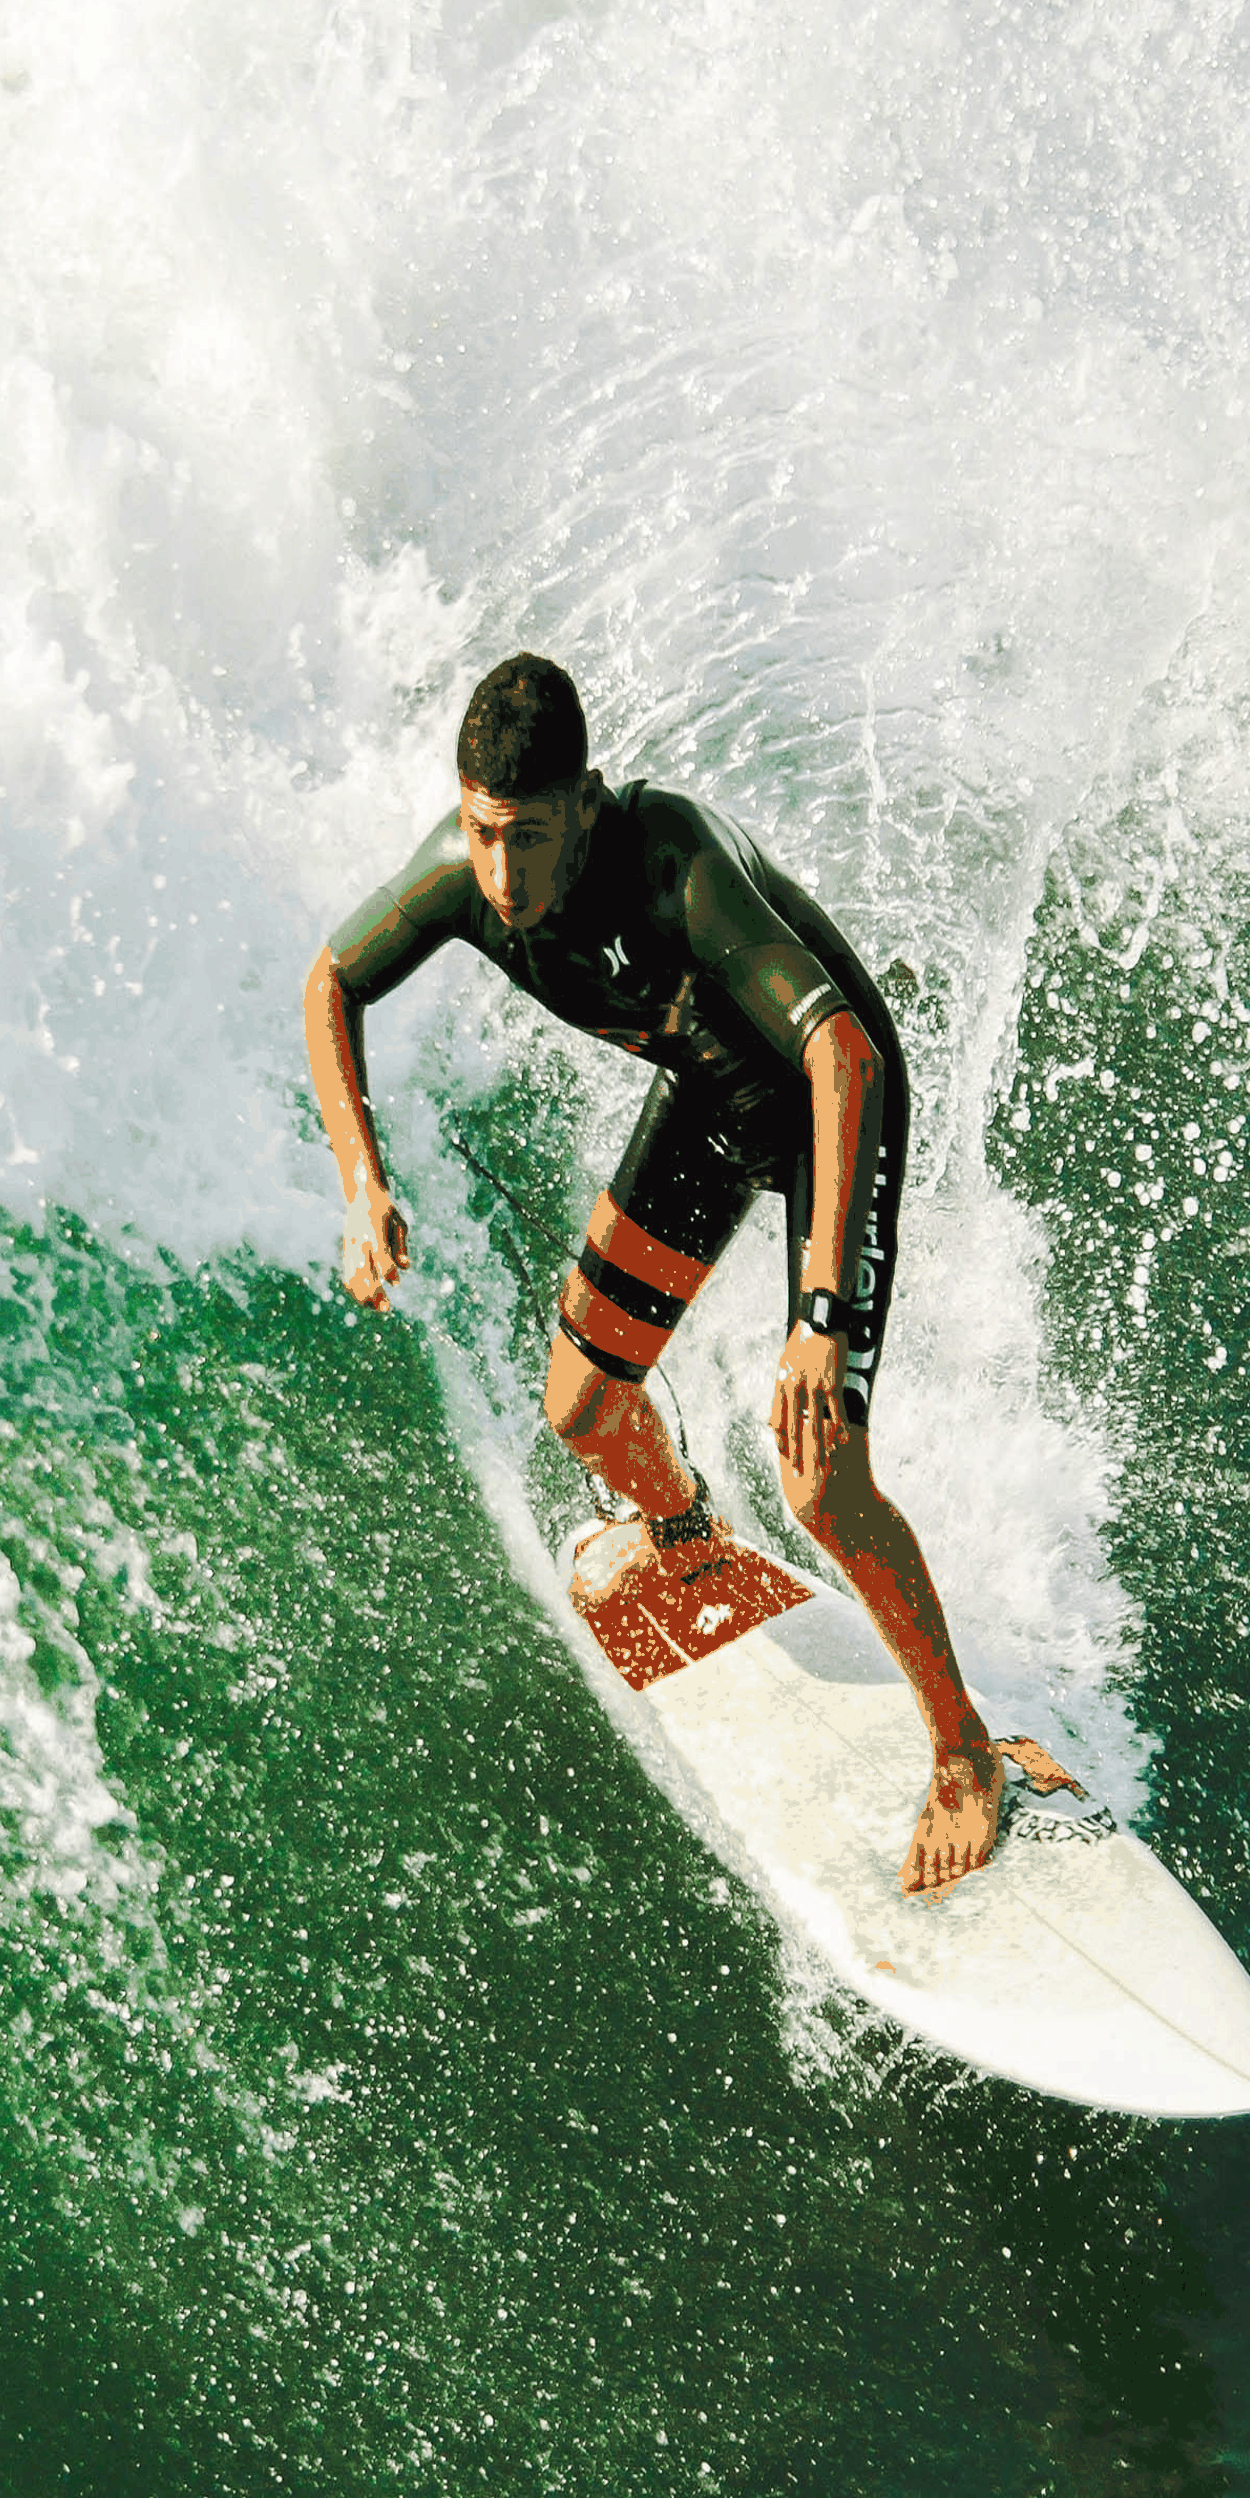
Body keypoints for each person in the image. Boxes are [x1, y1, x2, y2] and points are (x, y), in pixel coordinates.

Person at [300, 653, 1077, 1897]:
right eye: (487, 834)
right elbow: (332, 980)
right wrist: (363, 1180)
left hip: (832, 1115)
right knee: (583, 1409)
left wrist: (821, 1318)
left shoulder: (671, 862)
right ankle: (688, 1537)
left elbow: (838, 1053)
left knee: (821, 1475)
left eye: (532, 838)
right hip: (716, 1103)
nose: (503, 878)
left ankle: (966, 1755)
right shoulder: (463, 878)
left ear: (590, 805)